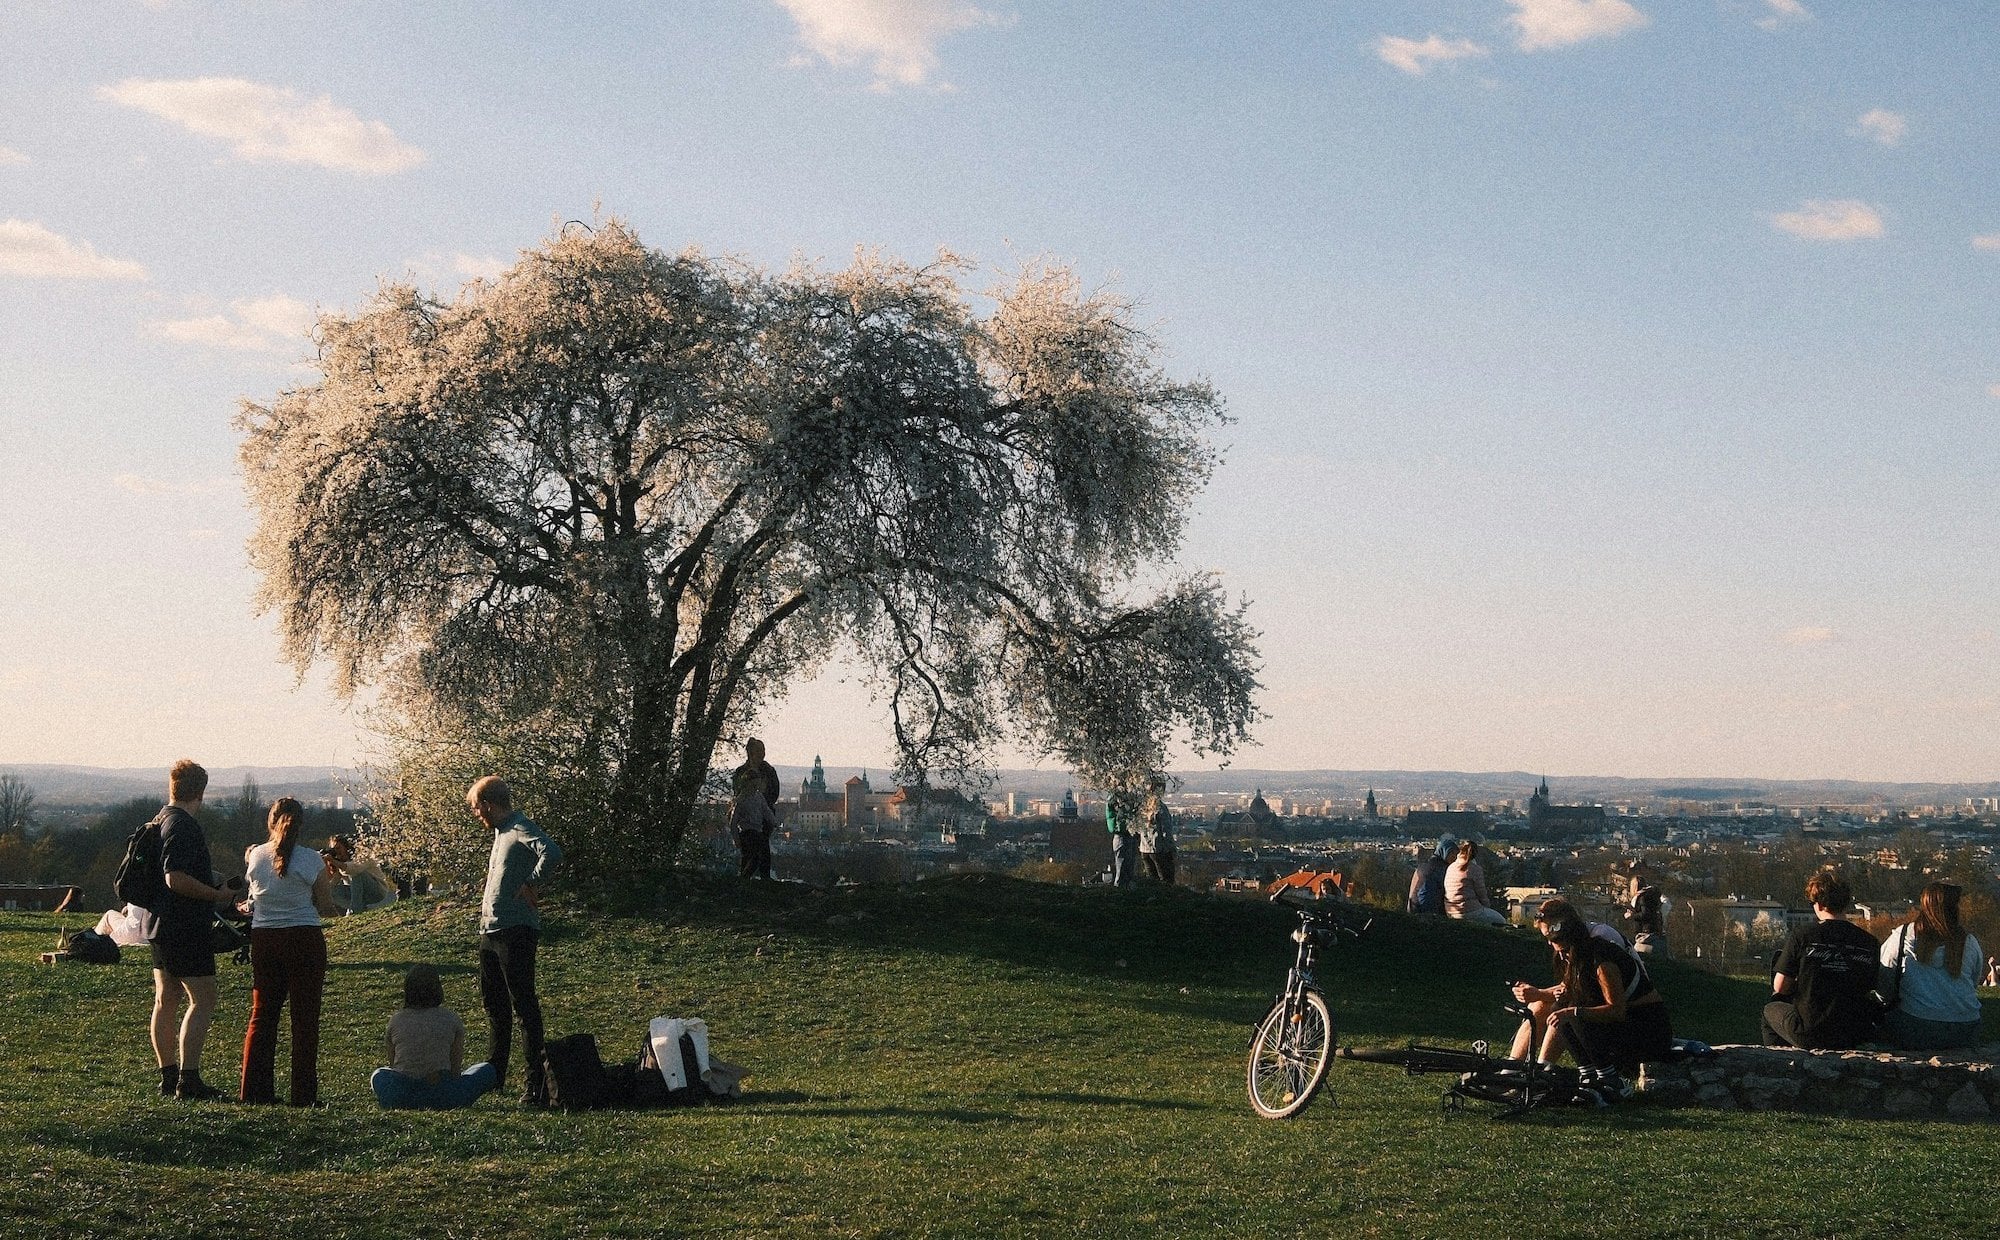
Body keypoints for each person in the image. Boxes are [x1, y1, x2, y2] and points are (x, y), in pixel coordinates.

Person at [144, 759, 243, 1101]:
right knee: (203, 999)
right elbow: (176, 878)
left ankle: (168, 1075)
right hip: (185, 925)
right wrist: (217, 895)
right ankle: (189, 1078)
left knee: (165, 1000)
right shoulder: (184, 826)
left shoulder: (159, 820)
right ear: (199, 792)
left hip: (157, 923)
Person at [1510, 899, 1671, 1101]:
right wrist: (1547, 997)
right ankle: (1521, 1070)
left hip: (1643, 1025)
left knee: (1570, 1013)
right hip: (1619, 1022)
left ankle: (1608, 1080)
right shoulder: (1573, 953)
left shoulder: (1600, 954)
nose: (1551, 945)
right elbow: (1573, 990)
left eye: (1555, 940)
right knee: (1558, 1008)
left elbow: (1615, 1008)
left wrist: (1571, 1011)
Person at [239, 797, 338, 1106]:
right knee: (304, 1020)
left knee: (263, 1016)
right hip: (304, 938)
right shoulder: (311, 860)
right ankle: (303, 1095)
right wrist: (329, 882)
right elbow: (324, 907)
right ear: (301, 824)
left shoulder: (255, 856)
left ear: (271, 822)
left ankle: (255, 1092)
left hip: (265, 939)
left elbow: (254, 898)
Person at [471, 775, 562, 1107]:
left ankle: (534, 1086)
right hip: (490, 931)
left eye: (476, 807)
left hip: (516, 930)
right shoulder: (500, 833)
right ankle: (494, 1080)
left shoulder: (519, 826)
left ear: (489, 804)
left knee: (523, 1006)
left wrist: (531, 883)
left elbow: (551, 852)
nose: (475, 813)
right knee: (495, 1008)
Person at [1506, 897, 1637, 1060]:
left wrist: (1540, 993)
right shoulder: (1572, 943)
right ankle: (1512, 1066)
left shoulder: (1599, 941)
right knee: (1539, 1006)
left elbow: (1591, 991)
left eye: (1551, 937)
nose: (1550, 943)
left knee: (1564, 1009)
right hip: (1600, 1002)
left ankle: (1544, 1066)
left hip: (1627, 1010)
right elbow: (1572, 985)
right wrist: (1538, 994)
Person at [1762, 871, 1879, 1050]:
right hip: (1853, 1032)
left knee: (1770, 1010)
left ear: (1819, 904)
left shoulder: (1803, 936)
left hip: (1809, 1030)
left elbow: (1780, 987)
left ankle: (1779, 1061)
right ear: (1846, 903)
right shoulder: (1869, 942)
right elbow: (1871, 986)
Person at [371, 964, 499, 1109]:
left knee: (379, 1074)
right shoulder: (451, 1019)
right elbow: (455, 1071)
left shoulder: (396, 1020)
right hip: (444, 1095)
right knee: (487, 1069)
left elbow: (394, 1067)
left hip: (404, 1095)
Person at [1879, 881, 1984, 1052]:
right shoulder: (1968, 942)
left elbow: (1885, 976)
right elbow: (1973, 982)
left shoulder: (1904, 936)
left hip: (1917, 1025)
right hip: (1966, 1027)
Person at [323, 834, 397, 914]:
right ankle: (358, 907)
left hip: (376, 890)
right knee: (330, 890)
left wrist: (333, 861)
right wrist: (325, 863)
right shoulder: (340, 863)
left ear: (346, 847)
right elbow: (332, 883)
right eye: (334, 850)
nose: (337, 852)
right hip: (357, 893)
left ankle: (355, 910)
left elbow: (353, 869)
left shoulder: (361, 856)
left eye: (338, 848)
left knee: (357, 874)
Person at [729, 766, 780, 880]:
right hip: (747, 832)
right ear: (747, 784)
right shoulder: (741, 800)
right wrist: (736, 839)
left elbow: (766, 811)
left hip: (757, 830)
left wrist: (774, 822)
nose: (755, 787)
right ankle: (745, 877)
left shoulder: (758, 797)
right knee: (752, 856)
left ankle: (760, 877)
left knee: (761, 853)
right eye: (754, 785)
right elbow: (733, 823)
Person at [1444, 840, 1508, 927]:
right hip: (1469, 910)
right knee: (1501, 921)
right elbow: (1481, 892)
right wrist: (1486, 906)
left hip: (1450, 910)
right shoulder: (1475, 869)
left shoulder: (1451, 867)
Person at [1138, 776, 1176, 885]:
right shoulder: (1160, 808)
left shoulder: (1143, 807)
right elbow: (1166, 831)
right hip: (1159, 849)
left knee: (1152, 881)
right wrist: (1171, 848)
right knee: (1166, 880)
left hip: (1144, 849)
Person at [1624, 867, 1669, 958]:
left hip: (1646, 935)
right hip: (1658, 934)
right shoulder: (1652, 896)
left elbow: (1645, 915)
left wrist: (1632, 916)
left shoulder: (1642, 898)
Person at [1405, 837, 1453, 916]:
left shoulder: (1423, 866)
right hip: (1429, 912)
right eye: (1453, 855)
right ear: (1445, 853)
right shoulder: (1441, 869)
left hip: (1413, 908)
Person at [1105, 792, 1138, 888]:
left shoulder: (1119, 797)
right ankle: (1120, 888)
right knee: (1122, 866)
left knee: (1128, 866)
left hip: (1126, 834)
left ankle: (1124, 888)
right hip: (1122, 835)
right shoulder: (1116, 797)